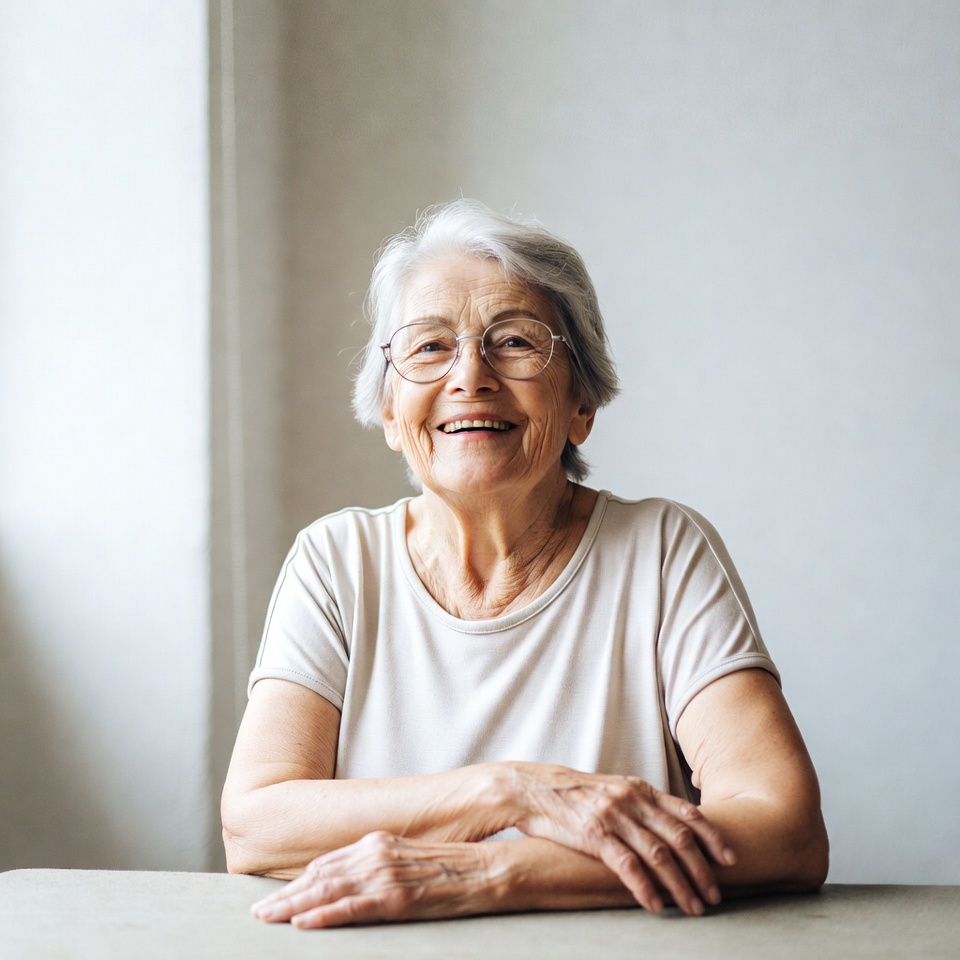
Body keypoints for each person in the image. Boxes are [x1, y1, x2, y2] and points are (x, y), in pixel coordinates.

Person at [221, 199, 829, 929]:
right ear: (390, 412)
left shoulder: (663, 550)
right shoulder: (335, 561)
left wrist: (489, 873)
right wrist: (509, 793)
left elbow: (784, 827)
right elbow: (256, 824)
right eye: (428, 346)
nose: (469, 375)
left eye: (514, 343)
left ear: (582, 403)